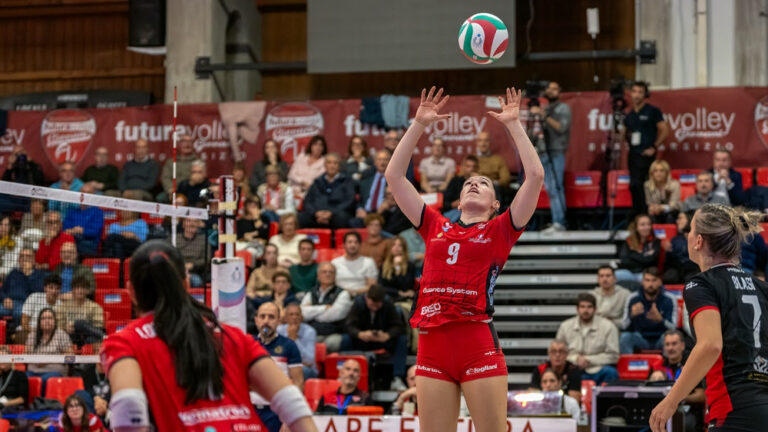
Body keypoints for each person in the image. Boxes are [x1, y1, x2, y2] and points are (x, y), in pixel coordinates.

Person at [385, 87, 544, 432]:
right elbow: (394, 177)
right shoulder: (434, 225)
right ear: (458, 201)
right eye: (469, 182)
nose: (474, 184)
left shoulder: (501, 229)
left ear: (495, 204)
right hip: (432, 345)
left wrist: (514, 125)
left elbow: (535, 177)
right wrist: (418, 124)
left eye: (483, 183)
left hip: (477, 343)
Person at [100, 240, 317, 432]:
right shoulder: (232, 336)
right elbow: (290, 399)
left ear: (131, 291)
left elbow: (129, 404)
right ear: (186, 284)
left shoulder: (125, 341)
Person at [650, 204, 767, 432]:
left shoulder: (701, 284)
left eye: (691, 229)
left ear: (699, 241)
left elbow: (710, 345)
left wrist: (671, 401)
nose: (687, 234)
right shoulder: (762, 287)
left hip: (733, 410)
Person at [342, 285, 408, 390]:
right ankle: (343, 374)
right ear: (366, 298)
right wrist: (360, 334)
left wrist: (387, 335)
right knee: (346, 339)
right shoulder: (358, 303)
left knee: (402, 339)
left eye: (378, 305)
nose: (375, 308)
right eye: (372, 304)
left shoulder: (388, 303)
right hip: (362, 341)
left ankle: (397, 378)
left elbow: (399, 326)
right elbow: (348, 325)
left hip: (382, 340)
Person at [251, 302, 304, 432]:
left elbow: (298, 383)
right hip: (251, 410)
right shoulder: (248, 344)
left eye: (271, 317)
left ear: (279, 321)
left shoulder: (289, 346)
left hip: (276, 414)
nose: (266, 321)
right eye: (262, 316)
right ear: (256, 320)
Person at [529, 81, 571, 233]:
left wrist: (543, 115)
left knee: (556, 187)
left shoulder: (563, 108)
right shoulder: (545, 108)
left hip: (556, 151)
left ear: (559, 91)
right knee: (551, 188)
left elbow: (561, 127)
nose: (551, 91)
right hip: (544, 151)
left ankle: (560, 222)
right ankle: (557, 221)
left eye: (555, 89)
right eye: (549, 88)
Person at [623, 81, 669, 217]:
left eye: (640, 92)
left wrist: (654, 146)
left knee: (645, 185)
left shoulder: (653, 111)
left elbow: (665, 131)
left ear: (645, 94)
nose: (637, 95)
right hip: (633, 155)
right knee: (633, 185)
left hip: (647, 156)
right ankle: (638, 216)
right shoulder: (629, 115)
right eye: (634, 91)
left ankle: (647, 215)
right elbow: (624, 135)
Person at [647, 330, 705, 432]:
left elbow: (701, 396)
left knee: (684, 423)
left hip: (685, 410)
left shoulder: (691, 365)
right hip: (660, 409)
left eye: (674, 344)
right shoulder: (657, 366)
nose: (670, 348)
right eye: (667, 344)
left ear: (682, 346)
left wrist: (676, 398)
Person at [555, 293, 619, 384]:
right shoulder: (565, 326)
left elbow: (614, 356)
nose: (586, 310)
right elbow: (558, 351)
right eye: (582, 307)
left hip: (598, 369)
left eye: (589, 307)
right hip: (572, 368)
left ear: (595, 309)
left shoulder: (608, 326)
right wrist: (576, 359)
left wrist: (588, 360)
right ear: (577, 309)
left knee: (611, 372)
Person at [620, 267, 677, 353]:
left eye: (654, 280)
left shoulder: (669, 299)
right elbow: (623, 326)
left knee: (672, 338)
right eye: (647, 280)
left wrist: (661, 320)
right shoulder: (633, 298)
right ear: (642, 282)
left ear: (660, 282)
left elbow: (674, 328)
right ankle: (628, 362)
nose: (650, 284)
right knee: (625, 337)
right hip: (640, 337)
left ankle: (669, 362)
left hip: (661, 337)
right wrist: (631, 315)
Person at [299, 262, 352, 353]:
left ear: (335, 276)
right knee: (299, 342)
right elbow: (302, 313)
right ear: (318, 276)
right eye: (324, 272)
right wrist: (324, 308)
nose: (328, 274)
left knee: (329, 344)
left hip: (333, 334)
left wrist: (312, 312)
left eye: (331, 272)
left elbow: (335, 315)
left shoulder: (343, 293)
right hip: (312, 333)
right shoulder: (311, 292)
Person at [298, 153, 356, 229]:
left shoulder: (347, 181)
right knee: (301, 217)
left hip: (336, 215)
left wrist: (331, 212)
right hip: (317, 215)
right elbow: (307, 201)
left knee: (341, 218)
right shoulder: (317, 182)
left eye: (335, 163)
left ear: (339, 166)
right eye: (329, 163)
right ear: (325, 165)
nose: (332, 166)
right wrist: (316, 213)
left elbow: (349, 201)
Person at [25, 308, 73, 394]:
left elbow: (71, 358)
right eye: (43, 318)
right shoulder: (32, 335)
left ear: (55, 321)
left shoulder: (62, 335)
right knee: (22, 378)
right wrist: (36, 361)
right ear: (39, 322)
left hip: (53, 372)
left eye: (50, 318)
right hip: (33, 371)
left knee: (43, 380)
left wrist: (48, 360)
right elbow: (25, 355)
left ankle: (41, 401)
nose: (47, 321)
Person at [55, 276, 105, 347]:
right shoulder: (63, 307)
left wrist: (79, 326)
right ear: (72, 290)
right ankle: (104, 336)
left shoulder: (95, 307)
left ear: (88, 290)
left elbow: (98, 327)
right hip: (68, 336)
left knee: (83, 328)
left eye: (83, 288)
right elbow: (57, 325)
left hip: (87, 337)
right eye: (77, 287)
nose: (80, 290)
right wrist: (65, 328)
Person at [2, 248, 46, 326]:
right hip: (8, 302)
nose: (24, 259)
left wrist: (28, 275)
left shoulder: (39, 275)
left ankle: (16, 331)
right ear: (18, 260)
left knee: (19, 314)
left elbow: (38, 292)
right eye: (22, 256)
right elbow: (2, 290)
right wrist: (5, 298)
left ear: (33, 260)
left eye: (28, 256)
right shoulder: (13, 273)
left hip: (26, 304)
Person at [616, 214, 661, 283]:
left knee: (647, 279)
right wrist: (642, 256)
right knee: (616, 275)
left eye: (649, 224)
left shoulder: (655, 241)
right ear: (636, 227)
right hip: (629, 272)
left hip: (646, 273)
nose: (646, 227)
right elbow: (624, 259)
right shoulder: (629, 240)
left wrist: (632, 255)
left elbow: (651, 260)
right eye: (643, 225)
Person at [62, 183, 104, 257]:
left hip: (89, 243)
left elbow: (94, 232)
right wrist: (75, 231)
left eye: (88, 193)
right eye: (82, 193)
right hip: (71, 241)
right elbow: (65, 229)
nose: (84, 195)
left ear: (93, 196)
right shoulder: (72, 211)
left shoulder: (97, 212)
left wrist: (81, 231)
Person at [277, 303, 318, 379]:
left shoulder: (310, 331)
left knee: (302, 370)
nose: (294, 317)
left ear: (301, 317)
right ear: (285, 318)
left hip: (306, 370)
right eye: (291, 314)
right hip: (286, 365)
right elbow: (278, 354)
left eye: (297, 314)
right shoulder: (279, 330)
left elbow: (309, 360)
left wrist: (294, 340)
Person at [19, 274, 62, 344]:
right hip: (29, 331)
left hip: (49, 336)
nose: (54, 291)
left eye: (57, 288)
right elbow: (24, 322)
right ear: (45, 288)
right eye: (51, 288)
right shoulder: (34, 297)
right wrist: (36, 333)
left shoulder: (60, 305)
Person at [331, 231, 378, 296]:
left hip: (361, 296)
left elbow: (372, 286)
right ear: (344, 245)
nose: (353, 245)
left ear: (360, 245)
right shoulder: (335, 263)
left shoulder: (368, 262)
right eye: (350, 242)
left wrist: (352, 292)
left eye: (356, 242)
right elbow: (330, 284)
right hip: (338, 296)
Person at [159, 134, 199, 203]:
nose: (187, 144)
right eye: (184, 141)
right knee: (160, 198)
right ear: (179, 144)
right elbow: (165, 177)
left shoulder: (198, 162)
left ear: (193, 145)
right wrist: (170, 189)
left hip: (190, 191)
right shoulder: (171, 162)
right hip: (172, 191)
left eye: (190, 142)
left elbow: (199, 179)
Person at [662, 212, 699, 284]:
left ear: (689, 219)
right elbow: (669, 261)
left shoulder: (698, 238)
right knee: (669, 277)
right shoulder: (675, 239)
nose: (677, 221)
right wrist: (668, 251)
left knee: (691, 279)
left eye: (680, 218)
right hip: (677, 269)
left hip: (693, 270)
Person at [355, 150, 391, 223]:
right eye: (379, 159)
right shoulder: (366, 181)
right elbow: (359, 200)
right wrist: (360, 209)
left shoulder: (393, 181)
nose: (382, 162)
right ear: (375, 162)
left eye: (385, 159)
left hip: (383, 213)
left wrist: (388, 203)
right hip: (366, 213)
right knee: (354, 222)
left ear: (390, 162)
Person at [379, 236, 416, 303]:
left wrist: (397, 267)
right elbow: (381, 287)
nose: (396, 247)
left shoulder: (410, 266)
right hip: (387, 299)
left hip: (404, 300)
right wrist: (398, 292)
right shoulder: (383, 266)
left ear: (404, 249)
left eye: (400, 245)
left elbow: (407, 287)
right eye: (394, 245)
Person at [474, 131, 511, 199]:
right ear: (477, 143)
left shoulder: (498, 159)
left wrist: (489, 182)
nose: (483, 144)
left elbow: (505, 179)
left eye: (486, 140)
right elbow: (463, 176)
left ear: (490, 142)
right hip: (474, 188)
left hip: (493, 189)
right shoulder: (471, 159)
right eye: (480, 140)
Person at [442, 155, 479, 223]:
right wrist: (453, 204)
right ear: (463, 167)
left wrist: (477, 182)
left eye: (474, 167)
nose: (471, 169)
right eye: (468, 166)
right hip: (456, 211)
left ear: (477, 169)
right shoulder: (455, 181)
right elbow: (444, 203)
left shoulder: (482, 184)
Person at [644, 160, 681, 224]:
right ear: (652, 173)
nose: (659, 173)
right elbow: (649, 202)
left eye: (662, 170)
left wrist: (662, 208)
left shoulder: (674, 184)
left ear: (667, 173)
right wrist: (652, 208)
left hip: (671, 212)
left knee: (670, 216)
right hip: (656, 212)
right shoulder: (647, 185)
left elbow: (674, 205)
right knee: (650, 216)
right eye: (655, 171)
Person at [236, 195, 270, 264]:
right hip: (243, 244)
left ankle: (249, 269)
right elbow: (240, 236)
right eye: (250, 204)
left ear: (259, 206)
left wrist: (256, 219)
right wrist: (253, 234)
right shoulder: (240, 221)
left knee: (250, 251)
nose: (253, 206)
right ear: (245, 206)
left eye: (255, 204)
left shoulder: (264, 218)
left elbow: (264, 233)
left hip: (257, 246)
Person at [0, 345, 28, 411]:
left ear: (11, 359)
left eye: (5, 357)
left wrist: (3, 404)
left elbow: (22, 399)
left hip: (13, 408)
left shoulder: (20, 375)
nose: (2, 360)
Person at [0, 215, 22, 279]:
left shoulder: (17, 240)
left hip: (12, 274)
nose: (3, 228)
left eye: (6, 225)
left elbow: (15, 262)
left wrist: (3, 272)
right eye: (1, 224)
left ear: (10, 227)